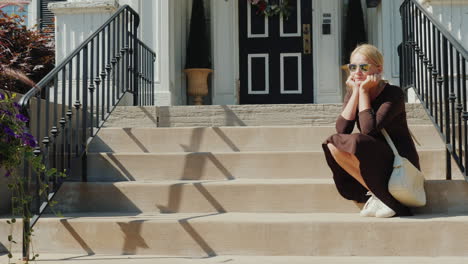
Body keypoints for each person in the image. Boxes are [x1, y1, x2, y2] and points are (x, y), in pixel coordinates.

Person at [322, 44, 420, 218]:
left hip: (399, 161)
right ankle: (377, 195)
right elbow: (342, 129)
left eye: (364, 66)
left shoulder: (393, 94)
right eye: (353, 67)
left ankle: (389, 201)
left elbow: (368, 130)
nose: (357, 71)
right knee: (332, 144)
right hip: (373, 157)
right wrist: (355, 93)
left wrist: (364, 92)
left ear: (378, 68)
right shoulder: (353, 93)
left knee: (357, 141)